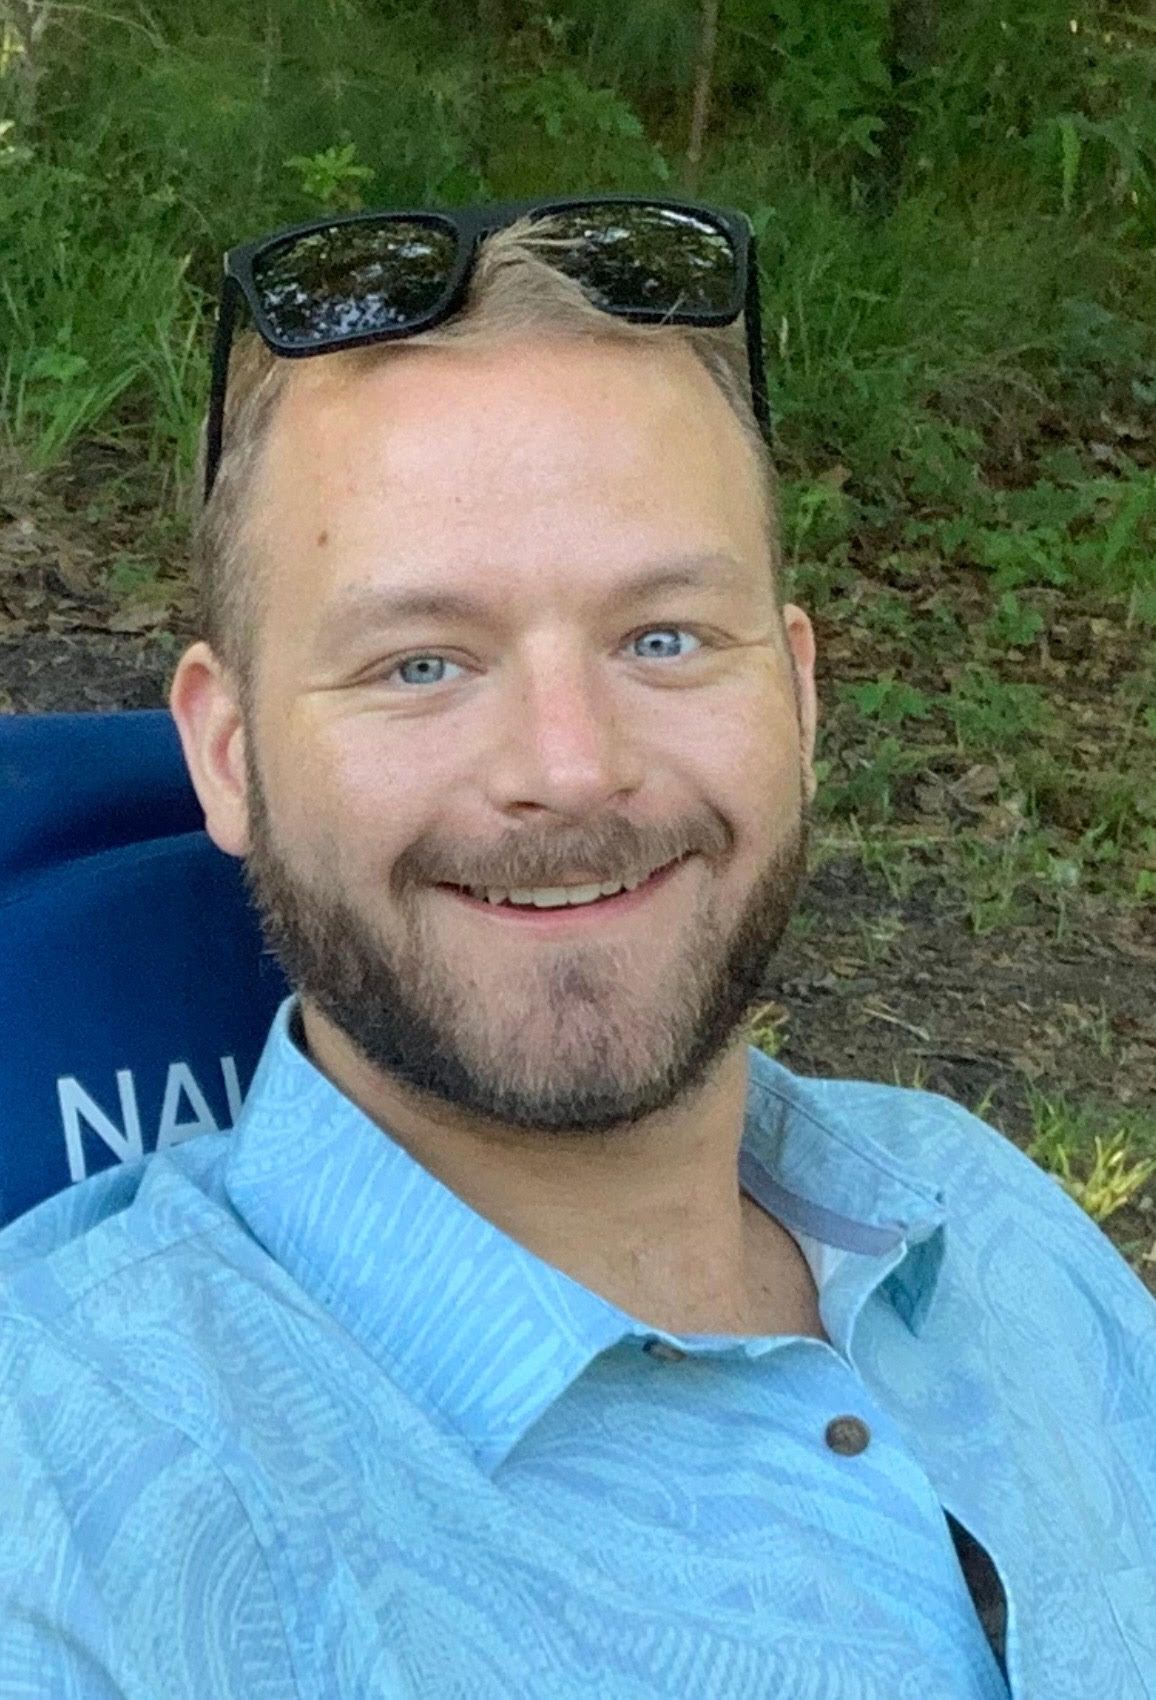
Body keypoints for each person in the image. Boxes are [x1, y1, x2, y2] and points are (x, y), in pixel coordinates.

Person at [0, 197, 1153, 1700]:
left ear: (797, 697)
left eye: (664, 637)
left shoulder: (988, 1227)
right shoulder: (74, 1505)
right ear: (226, 756)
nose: (571, 766)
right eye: (422, 662)